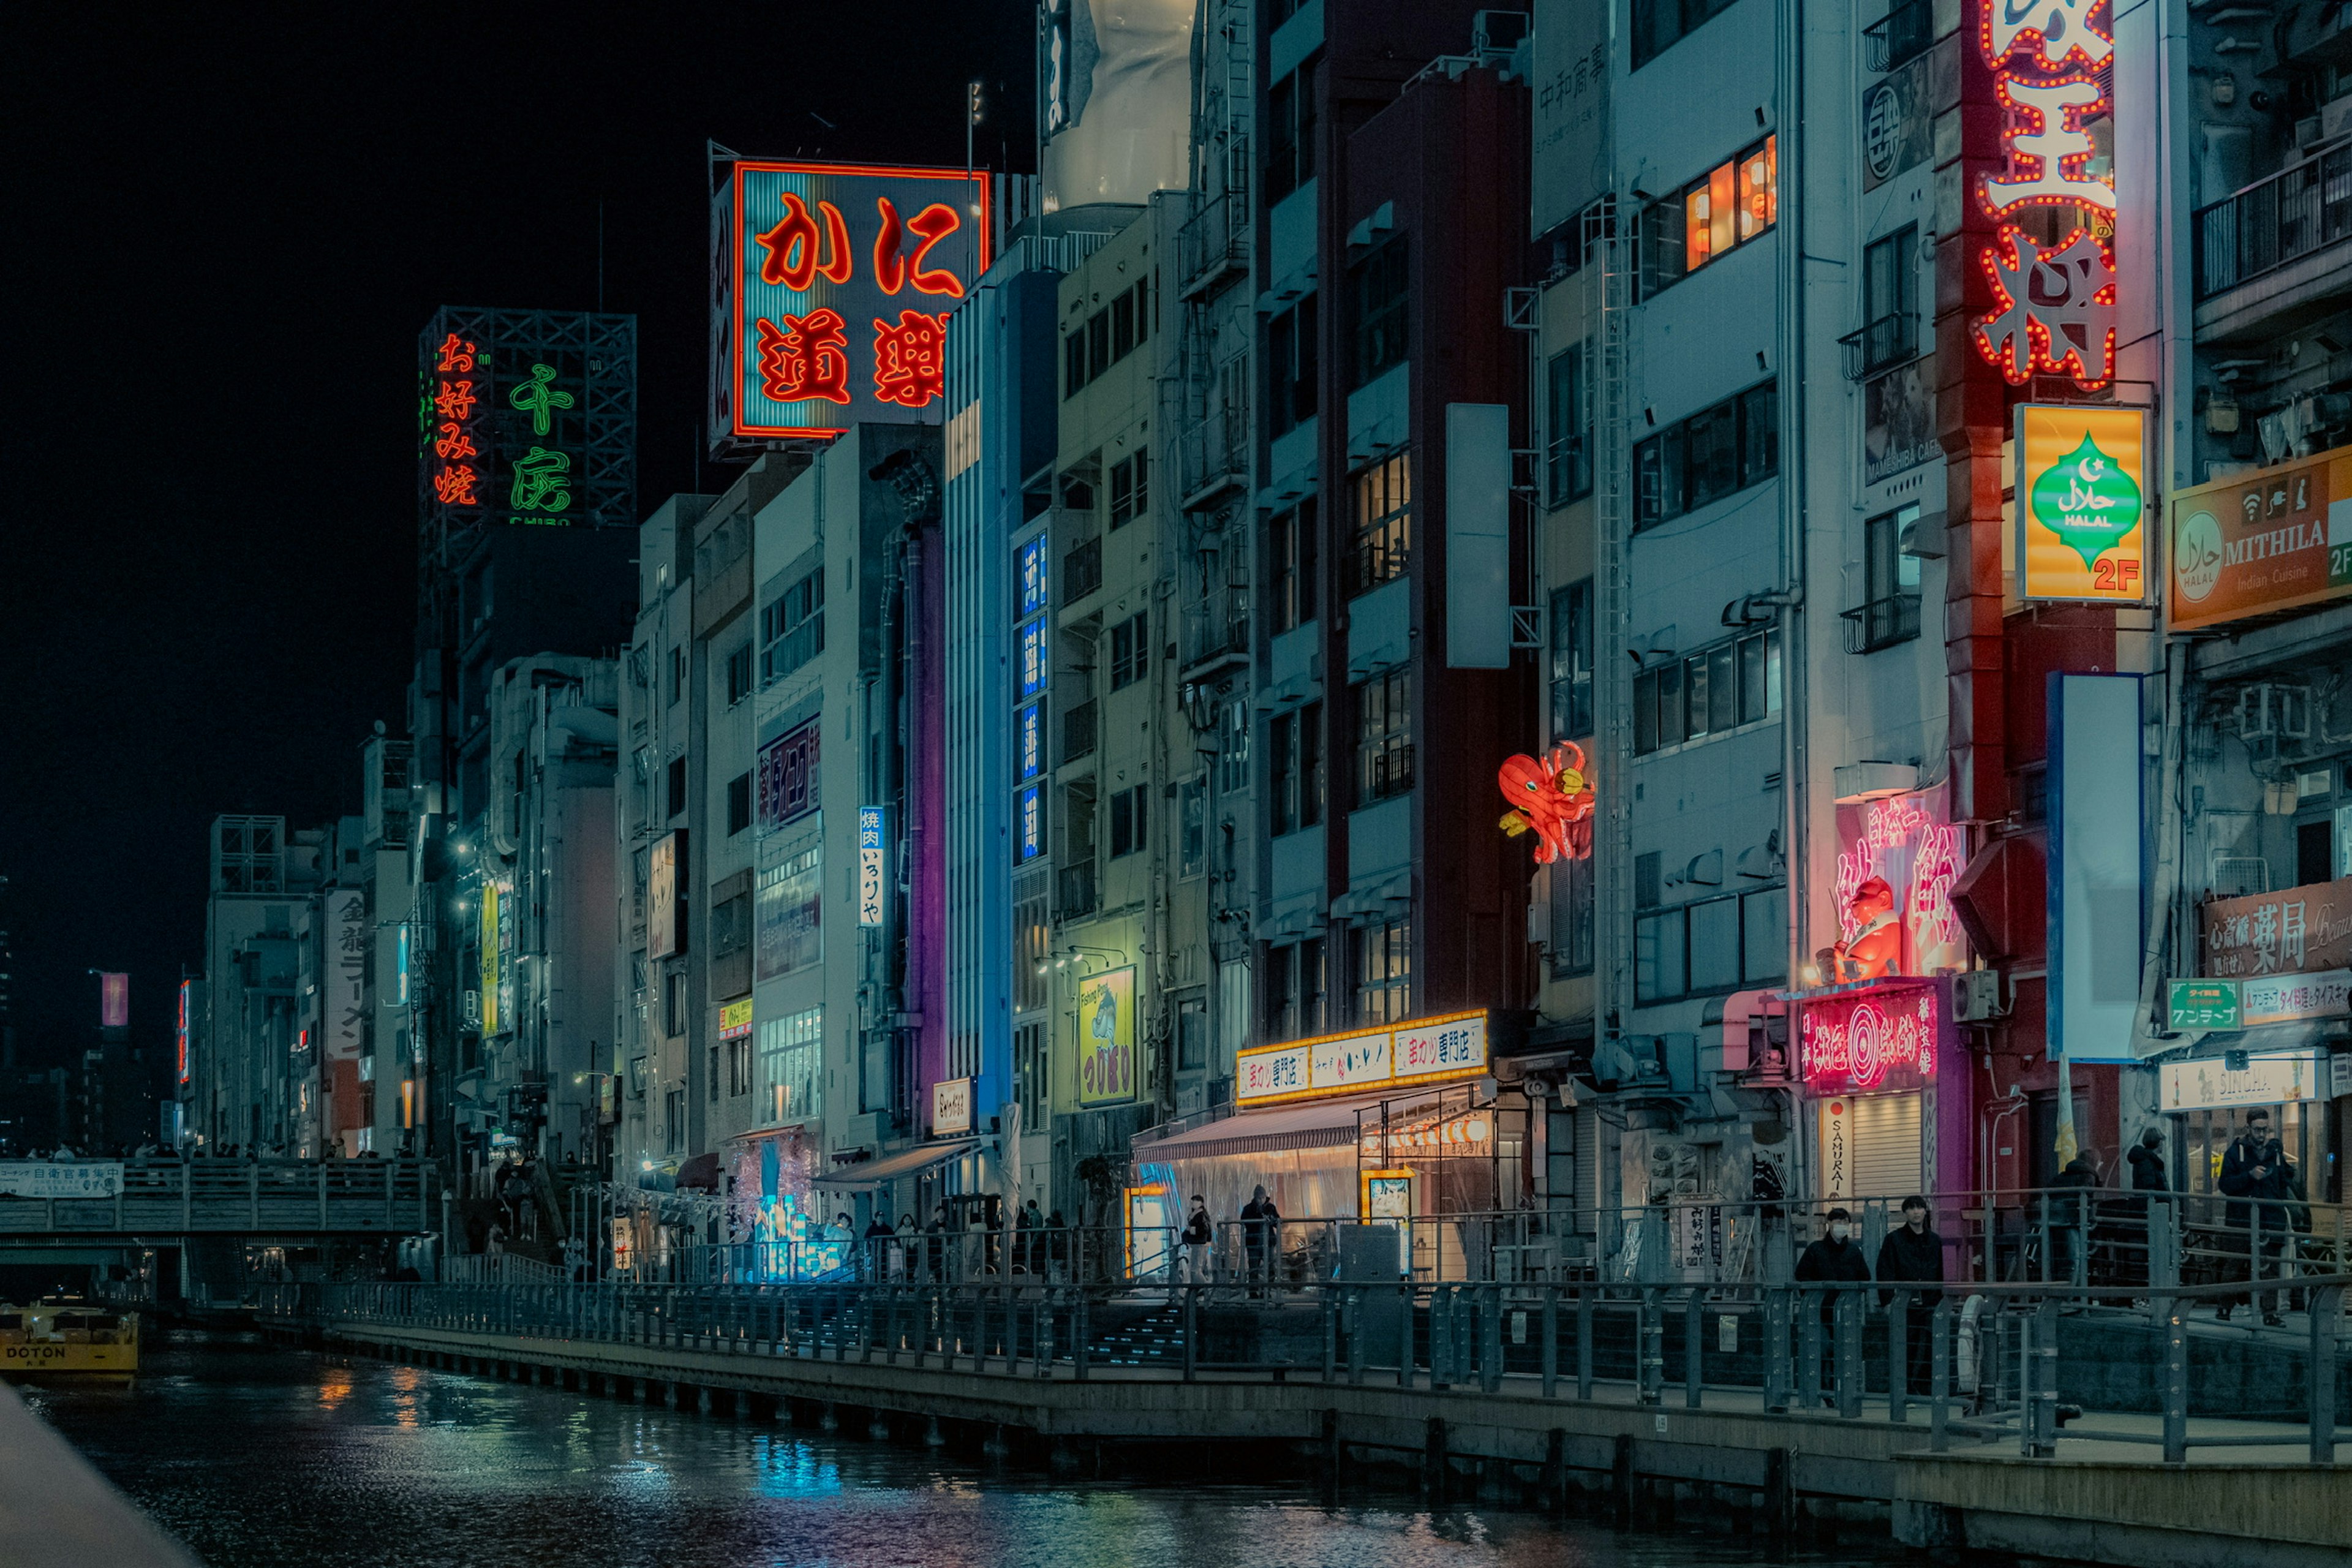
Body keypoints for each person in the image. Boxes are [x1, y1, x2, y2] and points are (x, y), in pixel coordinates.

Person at [2218, 1109, 2293, 1325]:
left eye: (2265, 1130)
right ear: (2248, 1128)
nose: (2262, 1135)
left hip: (2269, 1219)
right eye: (2258, 1130)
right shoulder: (2235, 1153)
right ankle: (2224, 1307)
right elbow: (2225, 1185)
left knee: (2270, 1268)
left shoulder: (2274, 1153)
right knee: (2234, 1264)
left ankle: (2269, 1313)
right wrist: (2250, 1177)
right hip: (2242, 1219)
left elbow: (2283, 1182)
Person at [1795, 1208, 1871, 1404]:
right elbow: (1801, 1275)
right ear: (1828, 1224)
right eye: (1837, 1221)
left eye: (1845, 1222)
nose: (1841, 1226)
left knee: (1843, 1354)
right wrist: (1814, 1297)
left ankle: (1840, 1394)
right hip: (1820, 1312)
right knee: (1822, 1352)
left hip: (1845, 1312)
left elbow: (1865, 1277)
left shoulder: (1854, 1251)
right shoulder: (1815, 1250)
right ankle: (1826, 1392)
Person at [1874, 1196, 1945, 1396]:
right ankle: (1905, 1390)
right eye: (1912, 1208)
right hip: (1904, 1302)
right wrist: (1887, 1301)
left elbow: (1940, 1271)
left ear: (1925, 1211)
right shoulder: (1894, 1239)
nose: (1916, 1212)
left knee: (1931, 1346)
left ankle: (1925, 1388)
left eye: (1920, 1208)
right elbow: (1885, 1270)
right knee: (1906, 1347)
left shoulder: (1935, 1240)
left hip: (1931, 1301)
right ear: (1905, 1212)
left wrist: (1942, 1299)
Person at [2044, 1155, 2099, 1286]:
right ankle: (2073, 1293)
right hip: (2074, 1220)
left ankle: (2064, 1291)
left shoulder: (2062, 1176)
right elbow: (2087, 1202)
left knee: (2068, 1258)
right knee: (2076, 1258)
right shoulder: (2088, 1177)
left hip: (2055, 1220)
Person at [1240, 1186, 1279, 1296]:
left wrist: (1271, 1219)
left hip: (1264, 1242)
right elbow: (1245, 1222)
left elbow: (1277, 1222)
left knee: (1269, 1268)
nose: (1261, 1200)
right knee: (1254, 1269)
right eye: (1259, 1198)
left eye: (1263, 1197)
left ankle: (1265, 1291)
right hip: (1256, 1242)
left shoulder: (1270, 1208)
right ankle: (1255, 1292)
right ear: (1255, 1198)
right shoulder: (1249, 1209)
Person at [1179, 1195, 1214, 1292]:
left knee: (1195, 1269)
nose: (1193, 1203)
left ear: (1200, 1203)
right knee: (1195, 1269)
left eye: (1195, 1201)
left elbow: (1203, 1230)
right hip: (1199, 1243)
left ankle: (1204, 1289)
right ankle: (1197, 1290)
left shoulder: (1199, 1215)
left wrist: (1190, 1230)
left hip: (1199, 1244)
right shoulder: (1199, 1214)